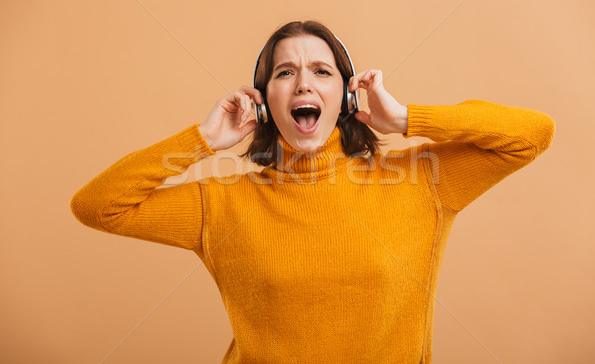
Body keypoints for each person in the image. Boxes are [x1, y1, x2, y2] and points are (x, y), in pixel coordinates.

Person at [69, 20, 556, 363]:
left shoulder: (422, 181)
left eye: (322, 71)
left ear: (347, 96)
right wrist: (202, 140)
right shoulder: (219, 203)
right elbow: (96, 206)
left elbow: (532, 134)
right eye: (286, 73)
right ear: (264, 104)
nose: (304, 83)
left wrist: (408, 119)